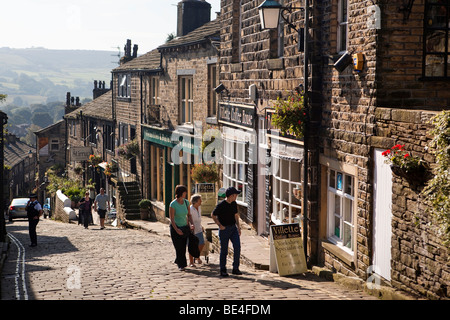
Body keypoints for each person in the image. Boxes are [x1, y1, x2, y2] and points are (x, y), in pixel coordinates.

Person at [211, 186, 242, 277]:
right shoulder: (221, 205)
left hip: (233, 229)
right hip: (224, 230)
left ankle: (235, 268)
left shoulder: (234, 203)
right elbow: (213, 215)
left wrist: (238, 227)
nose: (236, 196)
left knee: (237, 247)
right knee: (224, 250)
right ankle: (223, 269)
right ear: (231, 195)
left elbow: (236, 216)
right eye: (236, 194)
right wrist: (220, 225)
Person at [169, 185, 194, 271]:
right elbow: (172, 219)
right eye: (184, 192)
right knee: (178, 247)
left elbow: (189, 215)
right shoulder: (173, 204)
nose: (186, 194)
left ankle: (178, 260)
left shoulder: (186, 202)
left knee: (183, 247)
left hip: (185, 227)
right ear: (180, 193)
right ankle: (181, 265)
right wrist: (177, 229)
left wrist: (191, 224)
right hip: (175, 227)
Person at [188, 194, 205, 267]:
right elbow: (188, 218)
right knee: (192, 246)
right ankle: (191, 262)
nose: (201, 201)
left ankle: (197, 256)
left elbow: (199, 218)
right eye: (200, 200)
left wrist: (201, 226)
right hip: (192, 230)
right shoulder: (190, 209)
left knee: (202, 243)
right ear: (195, 202)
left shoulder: (199, 208)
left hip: (199, 228)